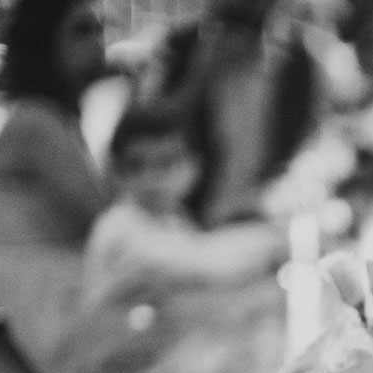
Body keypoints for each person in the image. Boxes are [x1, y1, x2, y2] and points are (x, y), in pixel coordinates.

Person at [0, 0, 110, 373]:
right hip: (39, 303)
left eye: (99, 29)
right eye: (82, 30)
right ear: (43, 43)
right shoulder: (35, 121)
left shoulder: (50, 117)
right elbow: (103, 217)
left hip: (52, 291)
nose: (99, 42)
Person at [81, 104, 288, 309]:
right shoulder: (118, 225)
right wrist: (279, 241)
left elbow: (204, 253)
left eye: (166, 163)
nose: (151, 177)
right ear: (114, 171)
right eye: (136, 165)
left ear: (193, 167)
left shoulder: (174, 220)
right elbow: (201, 265)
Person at [141, 0, 322, 227]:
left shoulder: (295, 62)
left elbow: (306, 142)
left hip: (259, 215)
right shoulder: (182, 48)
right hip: (185, 219)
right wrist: (200, 75)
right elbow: (147, 130)